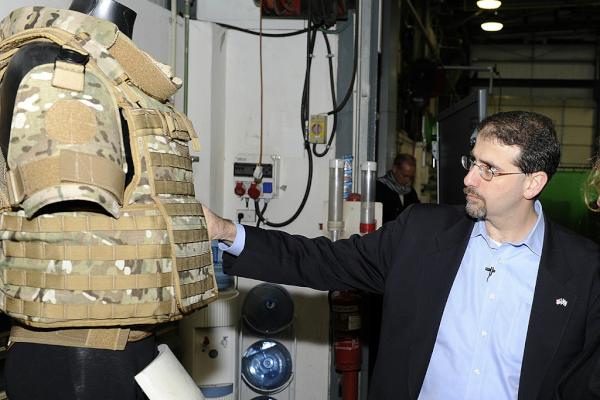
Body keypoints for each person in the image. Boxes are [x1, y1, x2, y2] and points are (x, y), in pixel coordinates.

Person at [203, 111, 600, 400]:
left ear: (532, 183)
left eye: (489, 170)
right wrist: (226, 231)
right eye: (472, 162)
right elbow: (321, 261)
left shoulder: (584, 271)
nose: (468, 178)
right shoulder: (422, 234)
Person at [376, 153, 420, 223]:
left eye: (410, 177)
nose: (407, 180)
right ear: (395, 169)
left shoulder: (411, 192)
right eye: (404, 176)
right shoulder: (380, 187)